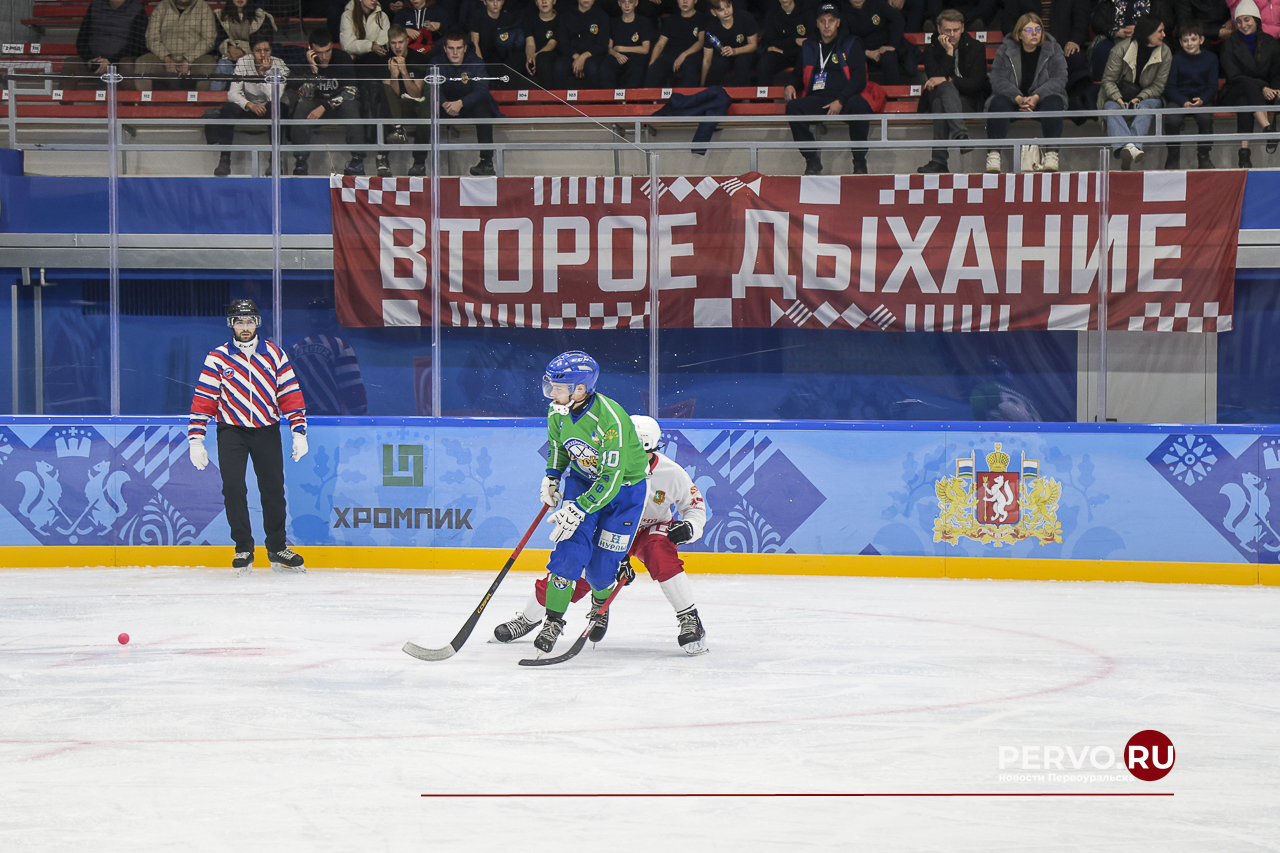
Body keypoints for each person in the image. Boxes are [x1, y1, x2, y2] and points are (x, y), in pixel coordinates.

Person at [494, 414, 709, 655]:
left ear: (654, 449)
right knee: (573, 569)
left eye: (642, 453)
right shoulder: (604, 469)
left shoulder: (672, 472)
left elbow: (694, 506)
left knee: (659, 551)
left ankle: (689, 616)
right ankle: (529, 618)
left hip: (648, 530)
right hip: (609, 529)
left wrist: (690, 526)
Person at [494, 351, 649, 655]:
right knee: (567, 554)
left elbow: (610, 479)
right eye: (550, 385)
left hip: (623, 494)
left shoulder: (610, 421)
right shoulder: (558, 411)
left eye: (558, 387)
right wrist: (552, 477)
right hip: (581, 483)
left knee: (601, 573)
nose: (552, 393)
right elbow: (558, 447)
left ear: (580, 389)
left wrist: (578, 509)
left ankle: (600, 605)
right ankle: (553, 621)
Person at [188, 299, 308, 576]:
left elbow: (290, 395)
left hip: (266, 429)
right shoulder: (217, 357)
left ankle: (277, 547)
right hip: (231, 431)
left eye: (249, 321)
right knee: (233, 488)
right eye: (239, 322)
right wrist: (196, 439)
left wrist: (298, 432)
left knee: (273, 490)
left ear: (257, 323)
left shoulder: (275, 355)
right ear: (231, 324)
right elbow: (204, 399)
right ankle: (243, 546)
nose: (245, 327)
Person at [784, 3, 874, 175]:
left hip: (844, 98)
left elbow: (859, 78)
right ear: (817, 23)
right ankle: (812, 160)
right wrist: (790, 85)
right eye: (822, 21)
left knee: (860, 105)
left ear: (838, 22)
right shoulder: (809, 46)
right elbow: (797, 74)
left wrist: (840, 100)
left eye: (831, 21)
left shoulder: (851, 43)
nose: (827, 25)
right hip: (818, 98)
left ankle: (860, 161)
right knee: (793, 107)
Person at [984, 12, 1067, 173]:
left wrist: (1036, 97)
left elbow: (1059, 78)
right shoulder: (1005, 50)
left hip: (1041, 98)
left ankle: (1051, 154)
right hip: (1013, 98)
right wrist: (1018, 98)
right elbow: (997, 78)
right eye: (1029, 30)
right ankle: (993, 155)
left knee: (1055, 102)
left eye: (1038, 29)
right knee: (997, 103)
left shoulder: (1053, 49)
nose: (1035, 33)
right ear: (1019, 34)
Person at [205, 31, 290, 176]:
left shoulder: (279, 65)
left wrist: (264, 74)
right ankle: (224, 160)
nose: (263, 55)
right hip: (248, 106)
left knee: (278, 108)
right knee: (227, 109)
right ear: (251, 51)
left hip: (269, 106)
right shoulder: (243, 62)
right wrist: (249, 105)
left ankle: (275, 160)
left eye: (266, 50)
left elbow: (274, 96)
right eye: (258, 51)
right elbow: (232, 94)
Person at [916, 8, 989, 173]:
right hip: (940, 96)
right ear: (939, 29)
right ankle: (961, 135)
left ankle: (939, 161)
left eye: (956, 30)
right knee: (943, 92)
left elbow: (976, 84)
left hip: (967, 100)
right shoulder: (932, 49)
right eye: (948, 30)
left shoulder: (975, 47)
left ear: (963, 28)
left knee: (942, 99)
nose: (952, 34)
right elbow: (935, 80)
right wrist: (949, 52)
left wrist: (950, 80)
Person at [289, 28, 367, 176]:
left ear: (332, 45)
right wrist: (314, 73)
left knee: (352, 108)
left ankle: (357, 160)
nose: (324, 57)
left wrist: (326, 106)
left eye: (328, 51)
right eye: (319, 53)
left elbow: (351, 91)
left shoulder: (342, 58)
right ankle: (300, 161)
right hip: (316, 104)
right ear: (311, 50)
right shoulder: (304, 62)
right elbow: (304, 96)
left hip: (339, 104)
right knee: (301, 107)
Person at [425, 31, 504, 176]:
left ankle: (486, 162)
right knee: (425, 108)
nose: (455, 53)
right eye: (451, 48)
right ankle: (419, 163)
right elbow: (430, 88)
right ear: (444, 48)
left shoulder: (476, 62)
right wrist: (444, 103)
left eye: (459, 48)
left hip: (469, 107)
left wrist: (461, 103)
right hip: (445, 107)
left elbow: (482, 90)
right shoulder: (436, 63)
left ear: (465, 48)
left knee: (483, 107)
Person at [1099, 17, 1171, 169]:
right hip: (1119, 94)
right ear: (1147, 34)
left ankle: (1128, 148)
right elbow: (1108, 81)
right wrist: (1118, 99)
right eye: (1160, 31)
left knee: (1146, 107)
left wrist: (1139, 98)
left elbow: (1158, 86)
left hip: (1147, 96)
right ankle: (1132, 147)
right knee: (1111, 109)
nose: (1164, 34)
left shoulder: (1165, 52)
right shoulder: (1121, 49)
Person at [1220, 0, 1280, 167]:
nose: (1243, 25)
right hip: (1233, 91)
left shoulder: (1271, 43)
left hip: (1260, 95)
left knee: (1245, 101)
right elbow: (1234, 76)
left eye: (1247, 20)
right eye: (1239, 21)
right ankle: (1267, 128)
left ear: (1256, 20)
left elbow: (1276, 72)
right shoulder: (1230, 44)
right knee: (1247, 87)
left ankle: (1244, 153)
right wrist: (1262, 86)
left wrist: (1276, 89)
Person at [289, 298, 370, 415]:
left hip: (301, 418)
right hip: (331, 420)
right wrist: (364, 418)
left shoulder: (294, 350)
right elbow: (352, 390)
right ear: (331, 317)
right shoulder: (341, 346)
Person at [1163, 20, 1220, 169]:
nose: (1190, 43)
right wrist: (1182, 101)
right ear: (1181, 43)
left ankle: (1204, 156)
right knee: (1172, 120)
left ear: (1201, 40)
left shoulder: (1211, 59)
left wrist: (1203, 99)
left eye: (1193, 39)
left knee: (1205, 119)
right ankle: (1173, 157)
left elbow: (1213, 86)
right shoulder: (1176, 59)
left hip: (1202, 98)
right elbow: (1170, 87)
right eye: (1185, 40)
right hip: (1179, 98)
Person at [379, 24, 432, 174]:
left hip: (414, 103)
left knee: (425, 112)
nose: (397, 47)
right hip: (395, 105)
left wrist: (404, 72)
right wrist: (394, 76)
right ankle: (383, 158)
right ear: (389, 43)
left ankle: (419, 162)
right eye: (393, 43)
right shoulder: (385, 60)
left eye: (400, 42)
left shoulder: (418, 59)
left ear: (407, 41)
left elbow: (416, 94)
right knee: (382, 102)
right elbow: (391, 95)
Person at [135, 0, 219, 91]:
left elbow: (208, 39)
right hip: (162, 58)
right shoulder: (162, 7)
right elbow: (151, 38)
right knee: (143, 62)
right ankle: (146, 103)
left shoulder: (203, 7)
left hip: (196, 59)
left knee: (209, 63)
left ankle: (201, 104)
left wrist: (188, 59)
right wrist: (166, 59)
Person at [64, 0, 148, 91]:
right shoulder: (95, 6)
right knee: (70, 63)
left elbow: (137, 44)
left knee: (127, 65)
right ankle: (64, 103)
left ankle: (129, 103)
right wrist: (90, 59)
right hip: (93, 61)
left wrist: (111, 61)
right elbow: (82, 39)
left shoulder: (137, 8)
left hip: (120, 62)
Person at [841, 0, 917, 85]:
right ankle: (858, 96)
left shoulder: (878, 3)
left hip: (882, 48)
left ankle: (893, 96)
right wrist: (865, 52)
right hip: (860, 52)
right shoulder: (843, 11)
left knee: (889, 57)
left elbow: (899, 20)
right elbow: (845, 39)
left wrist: (892, 45)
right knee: (852, 60)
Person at [211, 0, 276, 92]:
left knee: (240, 71)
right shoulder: (220, 16)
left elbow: (261, 44)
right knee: (223, 65)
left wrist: (242, 52)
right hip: (229, 57)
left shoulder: (261, 18)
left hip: (252, 59)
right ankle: (214, 100)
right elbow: (217, 40)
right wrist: (229, 48)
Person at [644, 0, 708, 87]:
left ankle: (688, 99)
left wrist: (684, 55)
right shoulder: (671, 19)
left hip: (692, 54)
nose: (685, 2)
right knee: (654, 68)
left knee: (690, 67)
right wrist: (652, 63)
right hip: (672, 54)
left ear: (695, 1)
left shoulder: (702, 18)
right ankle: (649, 100)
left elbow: (701, 42)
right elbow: (660, 44)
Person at [701, 0, 760, 86]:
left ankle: (739, 96)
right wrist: (701, 86)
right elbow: (707, 60)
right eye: (721, 10)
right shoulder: (711, 27)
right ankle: (708, 92)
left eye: (728, 7)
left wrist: (734, 51)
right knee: (719, 63)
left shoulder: (745, 17)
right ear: (713, 12)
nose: (727, 12)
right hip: (723, 56)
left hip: (744, 52)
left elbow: (753, 45)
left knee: (743, 61)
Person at [553, 0, 611, 89]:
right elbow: (562, 43)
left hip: (593, 55)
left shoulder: (602, 16)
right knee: (559, 66)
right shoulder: (565, 16)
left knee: (592, 67)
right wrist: (577, 57)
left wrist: (583, 57)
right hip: (571, 55)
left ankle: (594, 102)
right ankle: (560, 102)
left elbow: (602, 44)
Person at [603, 0, 655, 88]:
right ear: (619, 3)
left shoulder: (643, 22)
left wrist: (621, 49)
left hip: (636, 57)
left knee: (636, 70)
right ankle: (610, 101)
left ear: (636, 3)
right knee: (604, 69)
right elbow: (609, 47)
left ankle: (631, 101)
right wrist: (617, 54)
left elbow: (645, 49)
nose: (627, 5)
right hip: (617, 57)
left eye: (630, 2)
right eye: (623, 2)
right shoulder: (613, 22)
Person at [757, 0, 810, 86]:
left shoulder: (806, 13)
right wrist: (795, 41)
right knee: (764, 63)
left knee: (806, 56)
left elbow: (809, 43)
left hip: (800, 54)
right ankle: (764, 98)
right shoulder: (772, 15)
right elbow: (773, 42)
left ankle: (803, 96)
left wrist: (785, 50)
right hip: (781, 54)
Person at [471, 0, 524, 87]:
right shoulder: (477, 16)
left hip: (501, 56)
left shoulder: (508, 17)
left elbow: (509, 44)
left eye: (498, 0)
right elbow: (475, 43)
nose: (495, 4)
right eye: (491, 1)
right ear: (484, 2)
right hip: (482, 55)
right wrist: (482, 66)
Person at [524, 0, 560, 88]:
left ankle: (547, 99)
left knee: (543, 59)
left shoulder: (560, 19)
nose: (544, 2)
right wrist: (530, 58)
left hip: (552, 54)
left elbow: (552, 44)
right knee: (514, 60)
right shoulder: (529, 20)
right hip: (534, 53)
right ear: (536, 2)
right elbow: (530, 44)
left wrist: (537, 56)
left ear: (554, 1)